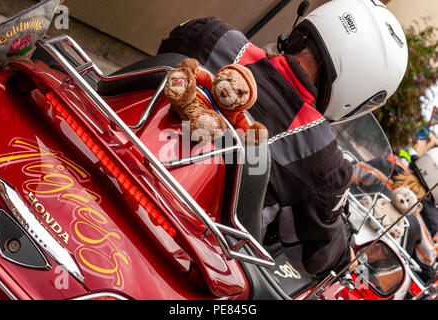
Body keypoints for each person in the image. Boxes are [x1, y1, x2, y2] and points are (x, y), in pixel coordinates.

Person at [158, 0, 408, 278]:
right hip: (183, 250)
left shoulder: (210, 33)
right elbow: (313, 258)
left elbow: (156, 67)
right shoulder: (322, 160)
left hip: (114, 141)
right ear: (360, 91)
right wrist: (344, 256)